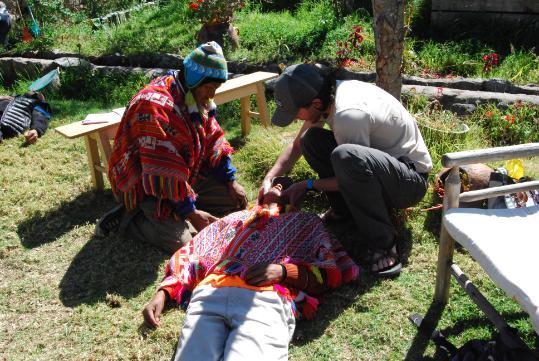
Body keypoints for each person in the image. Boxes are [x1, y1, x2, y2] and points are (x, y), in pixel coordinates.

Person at [143, 178, 359, 360]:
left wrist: (284, 271)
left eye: (285, 184)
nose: (278, 186)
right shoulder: (235, 219)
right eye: (274, 182)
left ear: (297, 197)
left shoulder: (305, 222)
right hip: (209, 294)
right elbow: (191, 253)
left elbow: (328, 274)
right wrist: (163, 293)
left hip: (265, 299)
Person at [258, 63, 432, 277]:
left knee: (345, 156)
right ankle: (344, 213)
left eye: (296, 112)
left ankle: (384, 244)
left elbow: (353, 173)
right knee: (309, 140)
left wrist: (308, 185)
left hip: (409, 182)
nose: (295, 118)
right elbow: (297, 147)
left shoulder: (348, 115)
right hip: (382, 167)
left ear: (316, 103)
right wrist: (270, 177)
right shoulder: (329, 95)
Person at [95, 42, 248, 254]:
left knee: (236, 201)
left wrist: (230, 181)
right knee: (186, 242)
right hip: (148, 186)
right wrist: (192, 215)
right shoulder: (153, 106)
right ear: (194, 79)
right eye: (209, 88)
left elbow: (213, 137)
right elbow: (164, 175)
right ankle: (129, 218)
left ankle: (184, 206)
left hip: (184, 179)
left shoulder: (194, 97)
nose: (211, 95)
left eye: (215, 89)